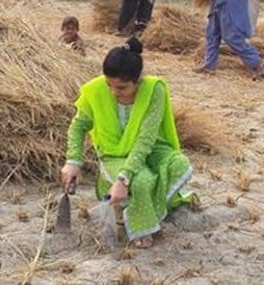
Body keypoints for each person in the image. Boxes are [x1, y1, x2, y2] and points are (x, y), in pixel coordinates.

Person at [60, 38, 195, 249]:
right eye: (109, 85)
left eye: (121, 87)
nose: (113, 92)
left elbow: (145, 139)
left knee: (178, 164)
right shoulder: (95, 91)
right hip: (114, 153)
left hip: (149, 149)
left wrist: (123, 179)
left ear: (138, 79)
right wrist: (73, 160)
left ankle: (148, 211)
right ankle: (141, 223)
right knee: (142, 181)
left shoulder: (154, 90)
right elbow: (78, 126)